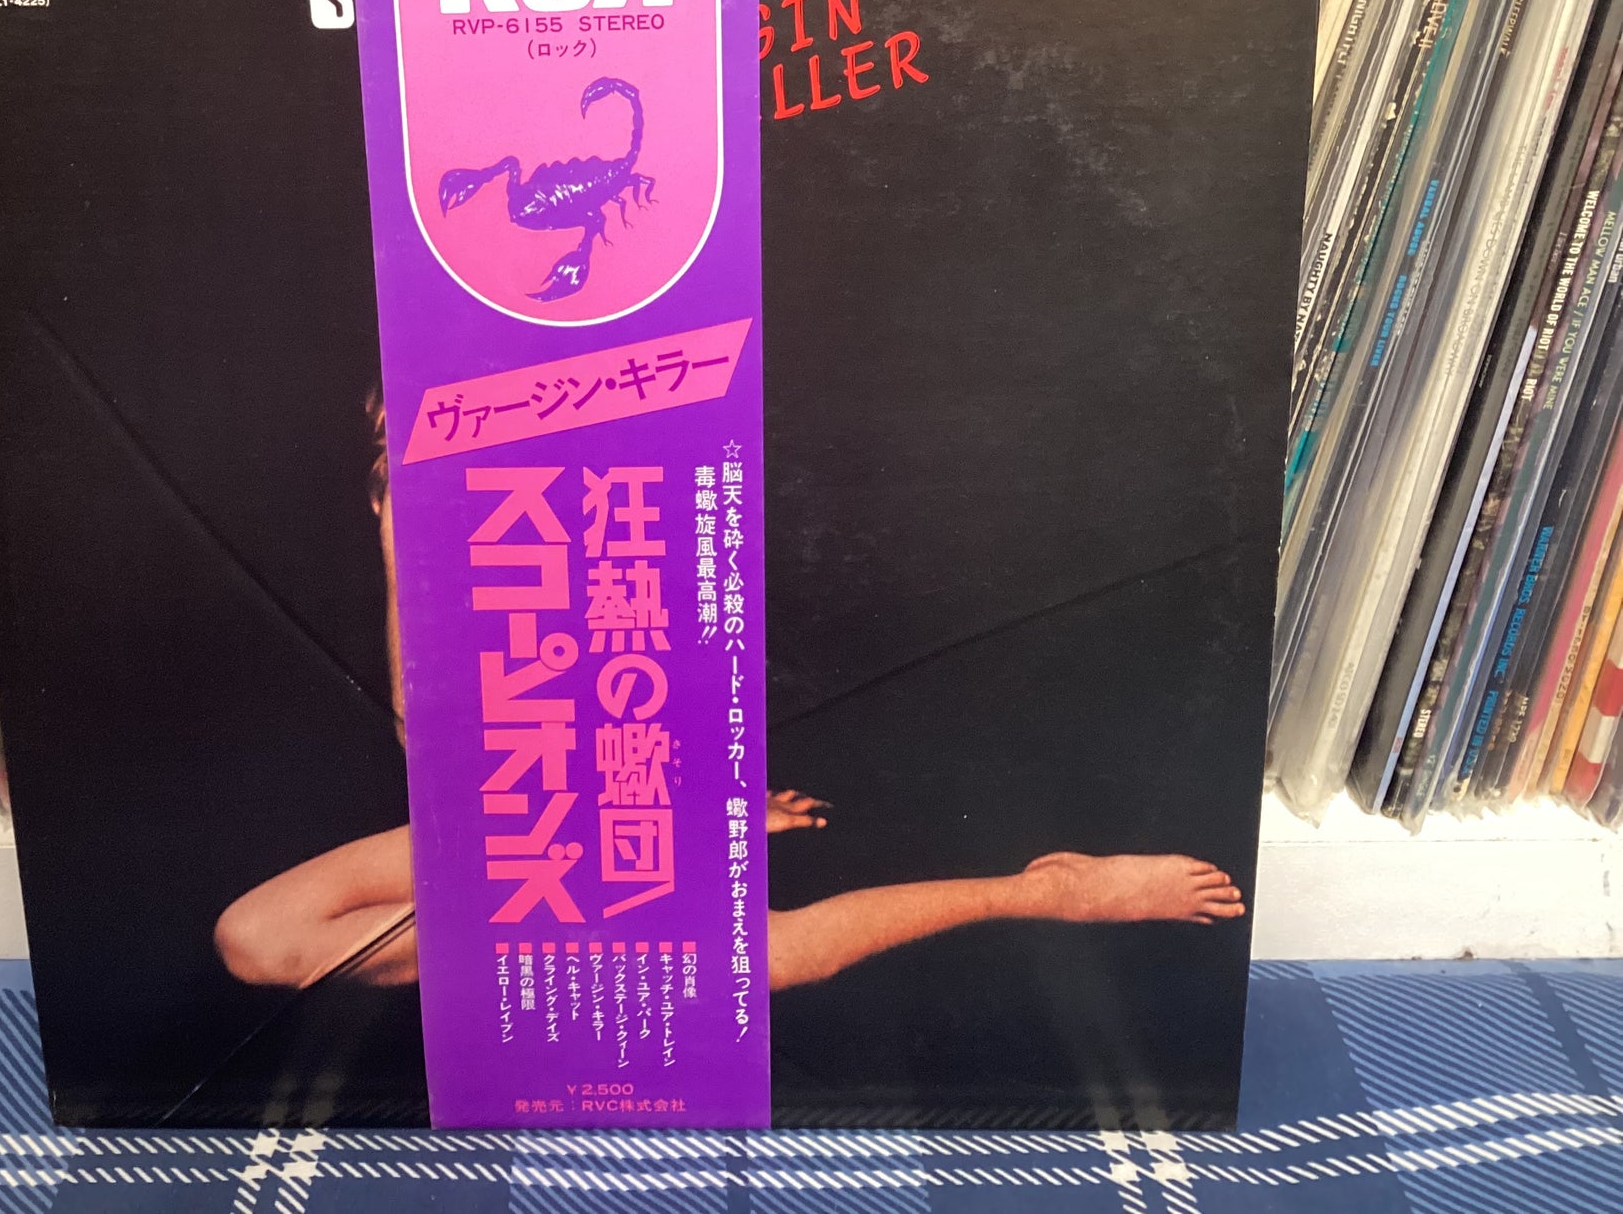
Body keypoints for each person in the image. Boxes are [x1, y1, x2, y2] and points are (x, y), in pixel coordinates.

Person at [214, 400, 1245, 994]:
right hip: (545, 817)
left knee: (766, 960)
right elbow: (428, 729)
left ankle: (1048, 890)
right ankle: (649, 852)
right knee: (254, 938)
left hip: (620, 758)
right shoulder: (419, 494)